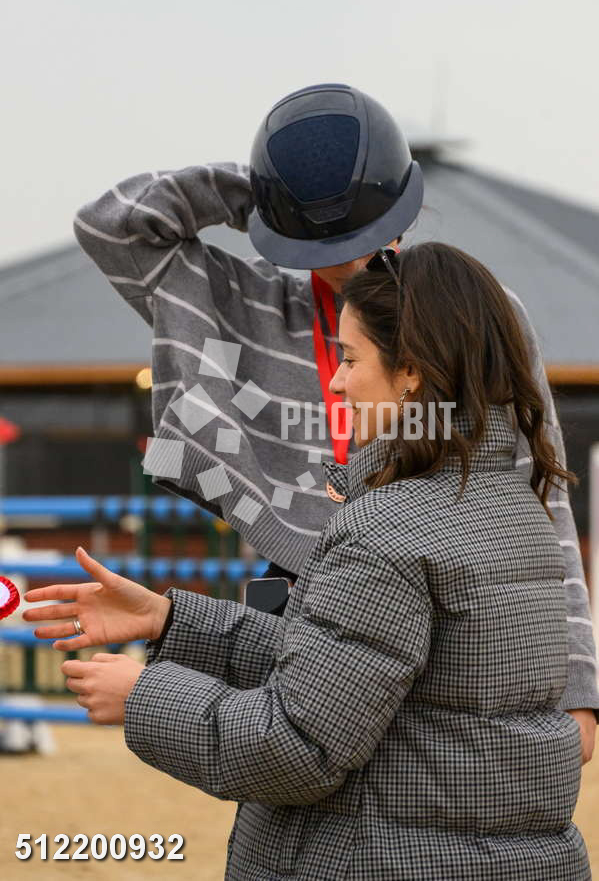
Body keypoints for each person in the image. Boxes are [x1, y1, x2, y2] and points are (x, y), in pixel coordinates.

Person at [24, 243, 592, 878]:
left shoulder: (389, 529)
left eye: (350, 358)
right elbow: (356, 673)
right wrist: (170, 621)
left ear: (410, 372)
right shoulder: (517, 510)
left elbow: (298, 745)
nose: (337, 382)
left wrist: (143, 697)